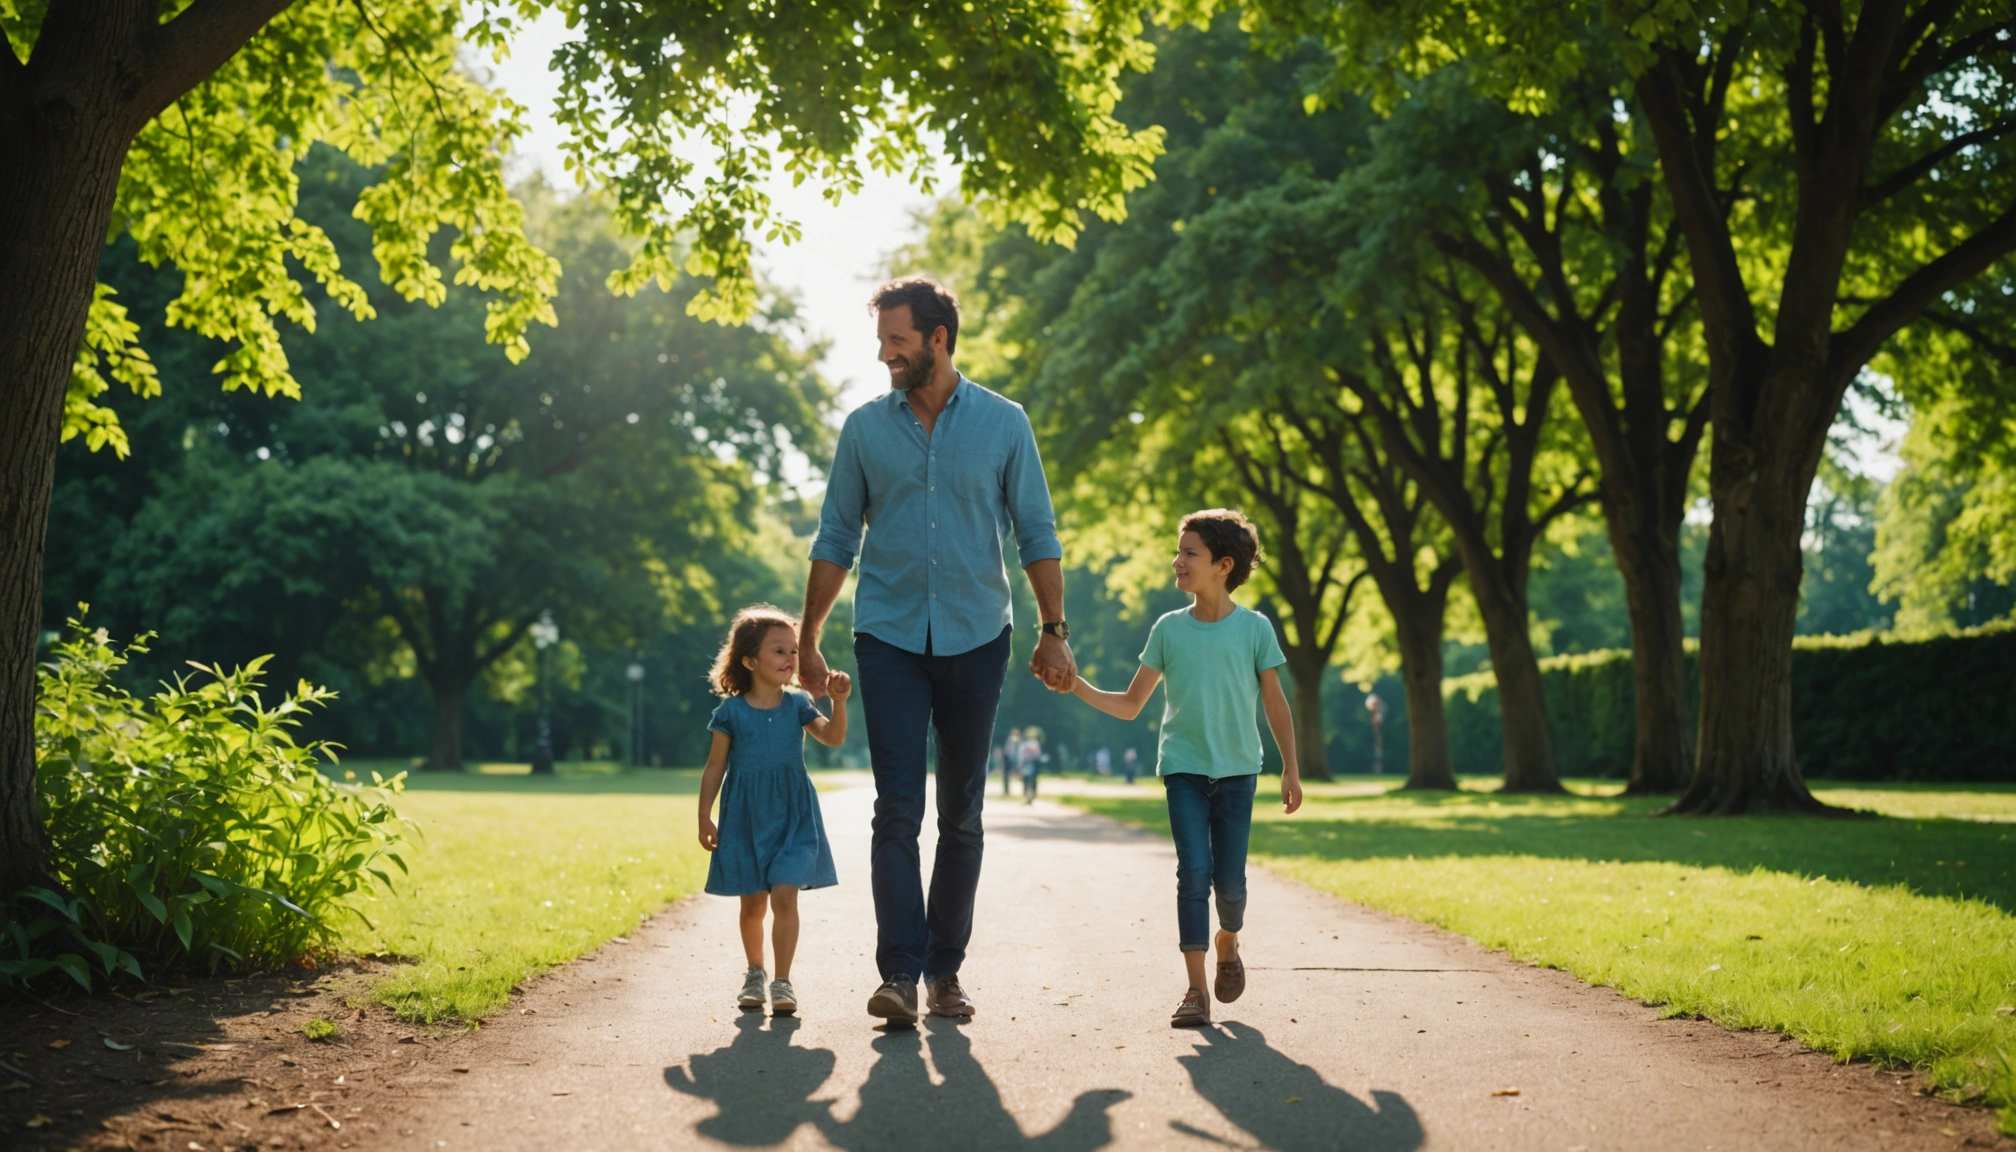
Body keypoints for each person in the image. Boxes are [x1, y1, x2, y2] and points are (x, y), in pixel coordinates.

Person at [799, 277, 1076, 1026]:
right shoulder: (863, 429)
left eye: (897, 340)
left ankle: (946, 973)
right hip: (887, 634)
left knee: (961, 813)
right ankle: (900, 974)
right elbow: (834, 539)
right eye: (883, 340)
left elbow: (1037, 533)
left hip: (978, 635)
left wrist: (1054, 632)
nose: (885, 354)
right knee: (897, 809)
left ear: (938, 339)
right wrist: (809, 637)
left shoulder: (1003, 424)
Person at [1067, 509, 1303, 1028]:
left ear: (1223, 565)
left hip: (1239, 772)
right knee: (1193, 872)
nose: (1177, 562)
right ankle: (1196, 991)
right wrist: (1077, 686)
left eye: (1188, 553)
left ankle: (1228, 939)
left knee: (1231, 887)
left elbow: (1275, 703)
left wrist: (1291, 768)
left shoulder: (1255, 629)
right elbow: (1132, 704)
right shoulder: (1169, 630)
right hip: (1184, 770)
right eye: (1178, 552)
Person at [697, 605, 849, 1016]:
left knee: (785, 894)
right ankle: (755, 972)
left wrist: (839, 703)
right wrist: (704, 816)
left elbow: (832, 738)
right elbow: (715, 767)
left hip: (793, 815)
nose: (790, 659)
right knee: (752, 905)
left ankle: (783, 982)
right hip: (745, 816)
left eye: (793, 651)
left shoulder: (798, 705)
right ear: (749, 660)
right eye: (779, 651)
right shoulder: (730, 712)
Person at [1017, 727, 1043, 803]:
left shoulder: (1026, 744)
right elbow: (1038, 754)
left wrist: (1020, 765)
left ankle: (1030, 795)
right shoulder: (1032, 744)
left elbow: (1021, 756)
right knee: (1029, 780)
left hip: (1029, 763)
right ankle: (1029, 795)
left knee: (1029, 780)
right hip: (1029, 763)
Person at [998, 728, 1020, 797]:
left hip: (1010, 759)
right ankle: (1006, 791)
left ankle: (1006, 791)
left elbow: (1008, 750)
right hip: (1011, 759)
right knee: (1006, 776)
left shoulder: (1012, 739)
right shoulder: (1014, 739)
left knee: (1006, 775)